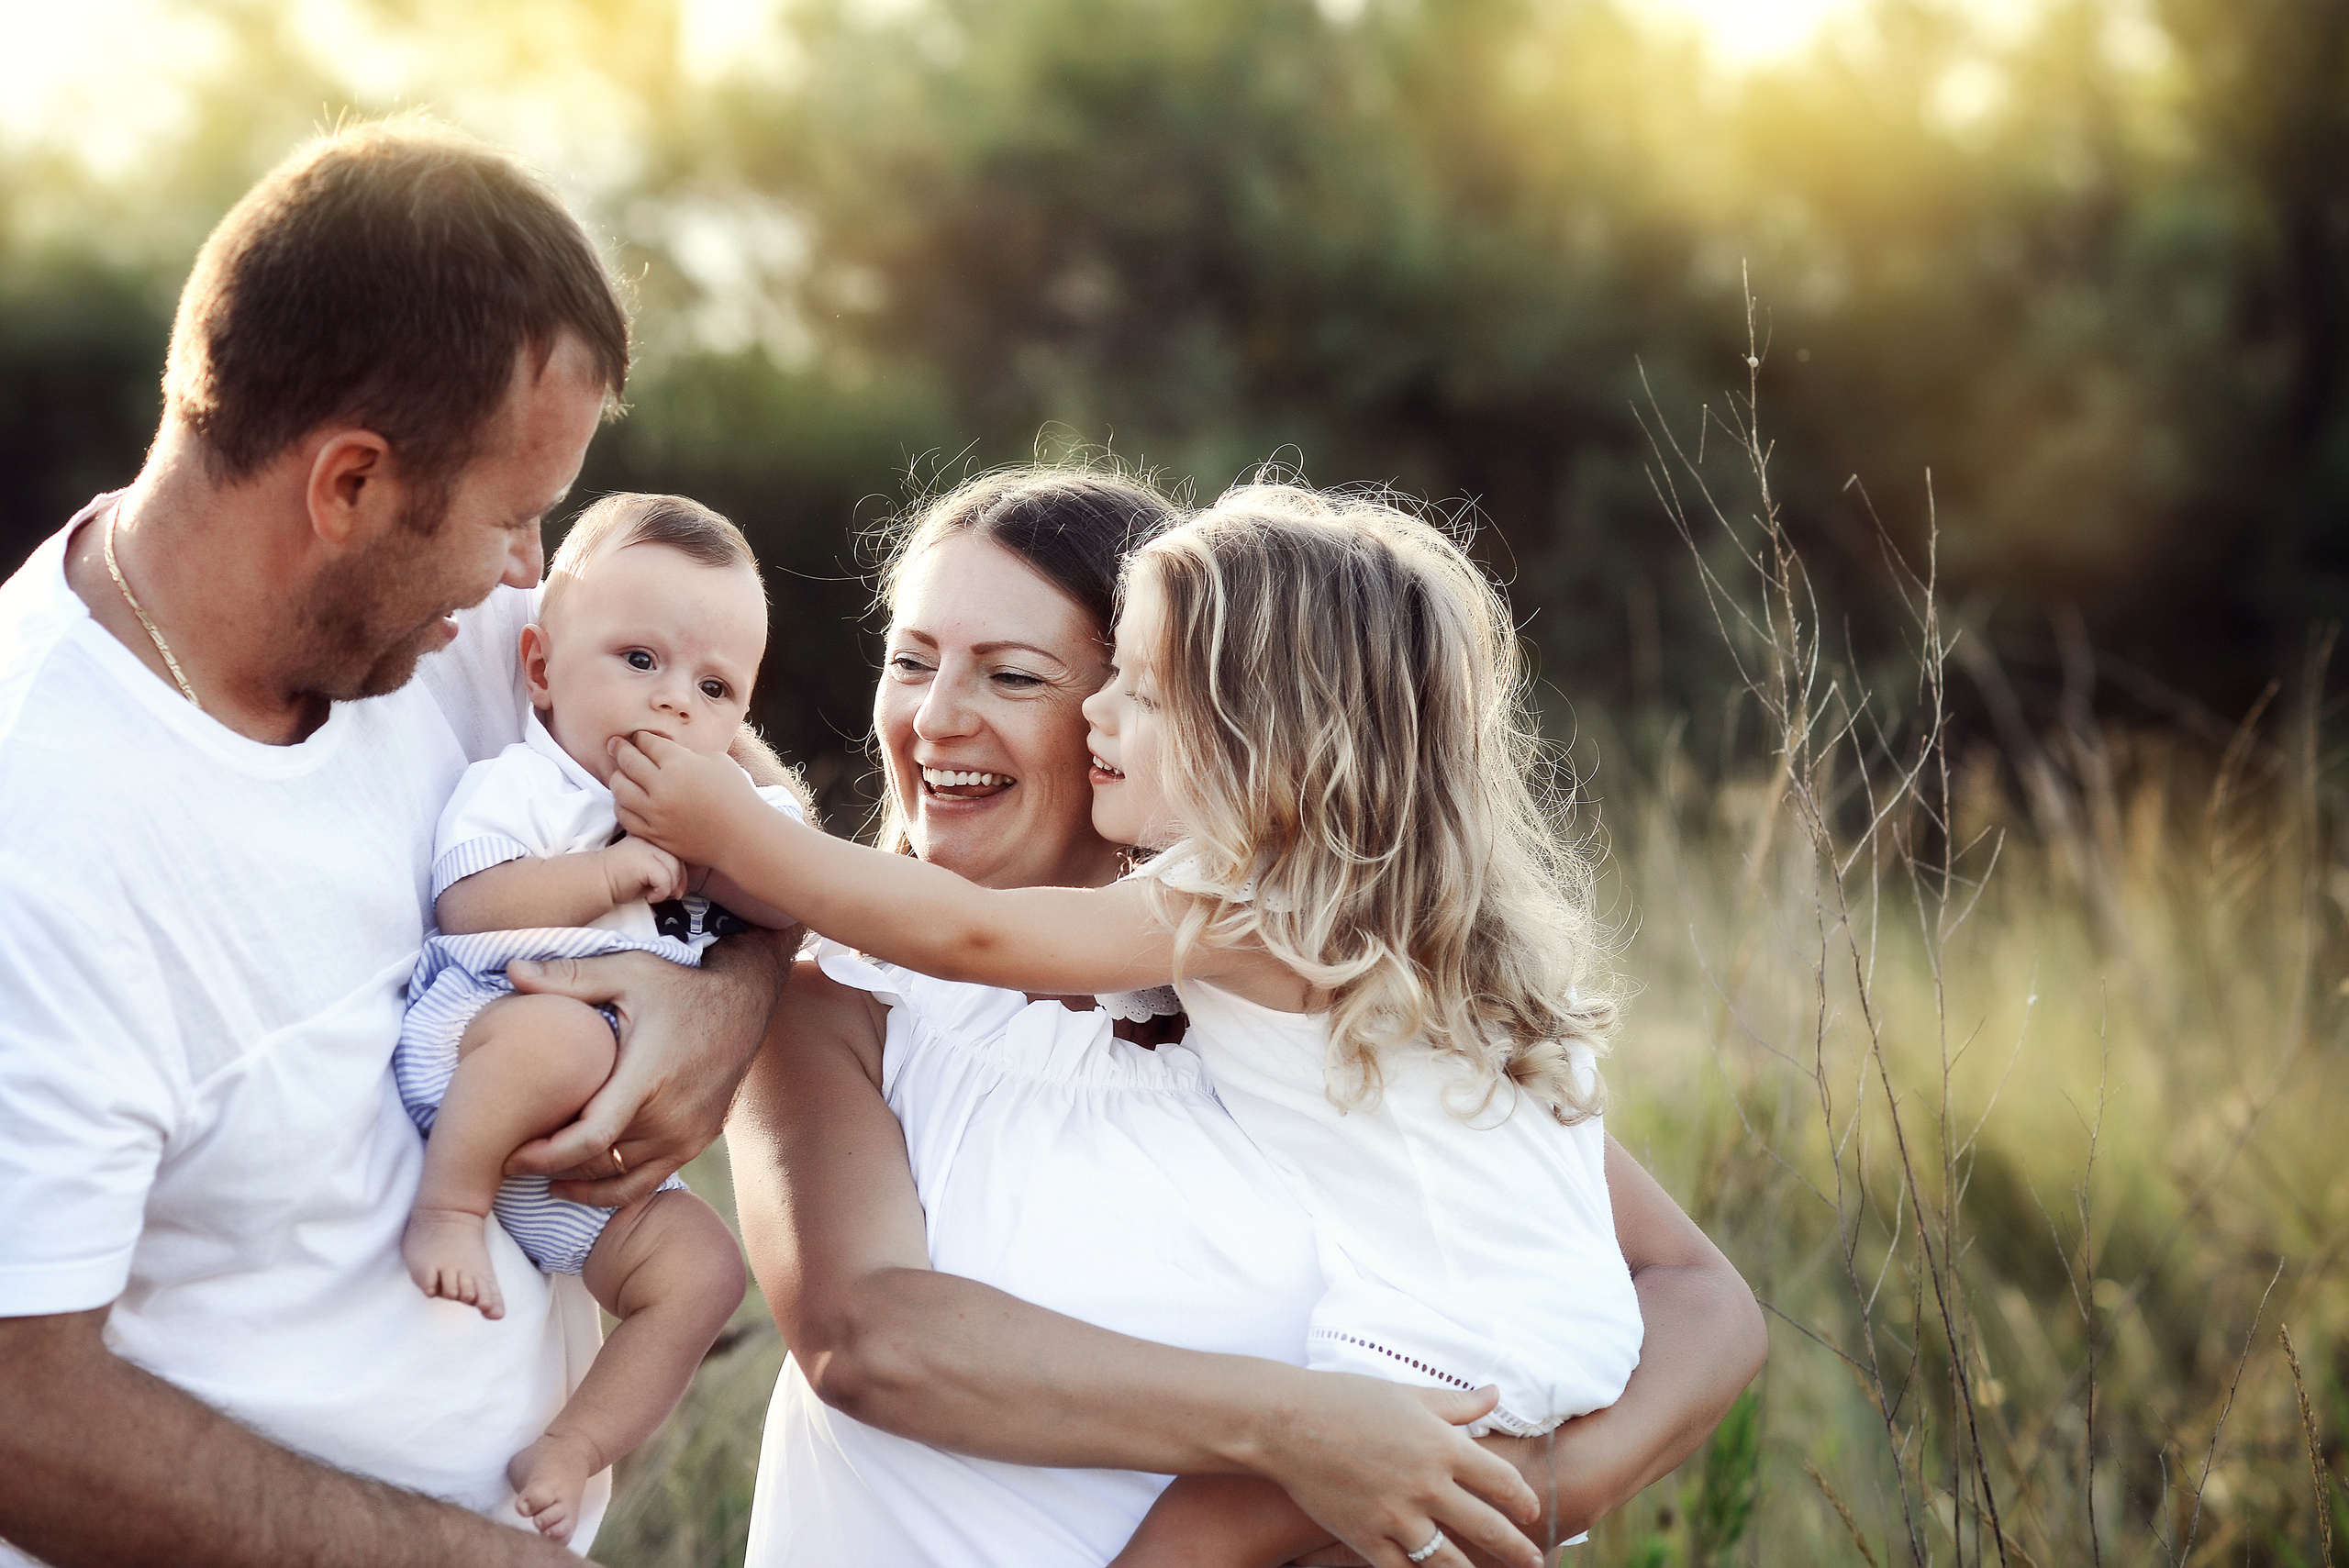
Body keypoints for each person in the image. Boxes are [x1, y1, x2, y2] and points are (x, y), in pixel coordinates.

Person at [714, 467, 1768, 1568]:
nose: (934, 718)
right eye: (910, 659)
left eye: (1016, 675)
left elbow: (1703, 1299)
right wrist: (1297, 1429)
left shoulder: (1327, 992)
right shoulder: (841, 997)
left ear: (1239, 719)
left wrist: (1528, 1486)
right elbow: (870, 1339)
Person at [0, 119, 789, 1567]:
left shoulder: (480, 641)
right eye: (511, 516)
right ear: (349, 484)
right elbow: (16, 1410)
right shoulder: (35, 835)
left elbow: (753, 817)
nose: (524, 575)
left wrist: (716, 1000)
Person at [394, 492, 811, 1540]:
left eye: (716, 687)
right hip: (493, 1042)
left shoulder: (717, 807)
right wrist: (610, 867)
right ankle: (448, 1208)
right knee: (567, 1032)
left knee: (706, 1270)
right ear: (540, 668)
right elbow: (470, 904)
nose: (675, 703)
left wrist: (730, 846)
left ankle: (572, 1446)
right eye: (639, 660)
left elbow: (804, 893)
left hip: (591, 1151)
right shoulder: (523, 787)